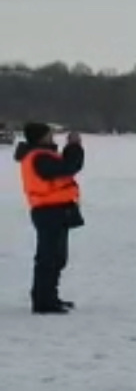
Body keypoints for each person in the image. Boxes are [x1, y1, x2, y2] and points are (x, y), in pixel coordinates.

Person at [15, 122, 84, 315]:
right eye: (48, 134)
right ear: (40, 137)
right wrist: (74, 146)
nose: (52, 136)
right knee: (49, 257)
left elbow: (64, 167)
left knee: (57, 257)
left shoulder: (41, 155)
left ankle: (49, 296)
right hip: (49, 210)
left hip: (55, 209)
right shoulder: (39, 157)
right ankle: (43, 301)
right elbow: (69, 167)